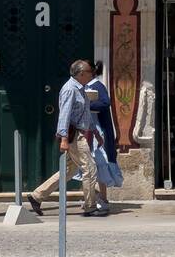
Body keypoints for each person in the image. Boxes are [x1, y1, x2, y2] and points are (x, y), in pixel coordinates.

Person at [26, 58, 106, 217]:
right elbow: (64, 114)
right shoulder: (70, 89)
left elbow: (84, 113)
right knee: (89, 169)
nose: (92, 75)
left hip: (79, 133)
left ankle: (37, 196)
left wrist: (94, 131)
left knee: (69, 171)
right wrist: (63, 138)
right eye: (90, 72)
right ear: (82, 73)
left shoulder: (81, 88)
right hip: (73, 135)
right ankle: (90, 206)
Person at [86, 60, 119, 212]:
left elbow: (105, 103)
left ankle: (102, 198)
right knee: (87, 166)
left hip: (98, 131)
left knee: (100, 164)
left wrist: (87, 105)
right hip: (87, 131)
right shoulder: (83, 87)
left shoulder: (97, 86)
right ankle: (91, 198)